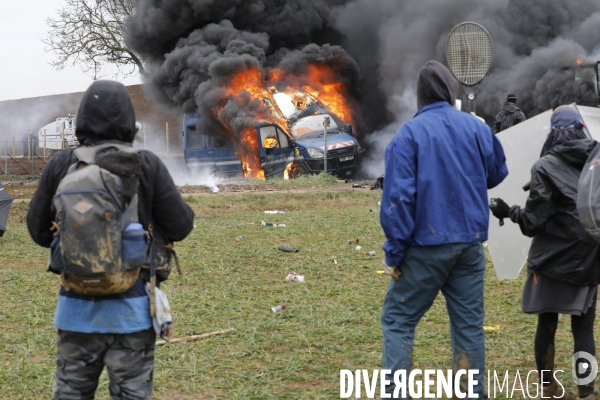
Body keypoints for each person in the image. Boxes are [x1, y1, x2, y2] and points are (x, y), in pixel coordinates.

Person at [26, 80, 195, 399]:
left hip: (75, 312)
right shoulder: (147, 164)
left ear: (82, 120)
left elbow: (37, 231)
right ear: (130, 121)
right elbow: (182, 226)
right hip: (132, 314)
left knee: (71, 392)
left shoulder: (61, 164)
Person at [379, 60, 508, 398]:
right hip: (468, 247)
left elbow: (398, 200)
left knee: (398, 320)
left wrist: (394, 252)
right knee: (468, 328)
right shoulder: (478, 128)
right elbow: (496, 173)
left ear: (420, 96)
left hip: (424, 247)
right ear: (452, 92)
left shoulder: (409, 135)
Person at [490, 105, 599, 400]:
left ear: (552, 133)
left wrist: (507, 210)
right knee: (583, 329)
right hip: (590, 257)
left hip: (551, 260)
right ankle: (586, 392)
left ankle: (549, 388)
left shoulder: (544, 166)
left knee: (547, 324)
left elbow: (533, 223)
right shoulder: (596, 161)